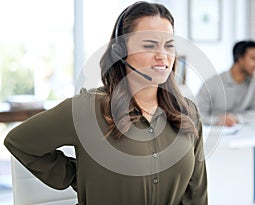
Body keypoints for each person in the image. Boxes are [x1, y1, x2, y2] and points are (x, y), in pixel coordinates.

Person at [4, 2, 208, 204]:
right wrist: (76, 175)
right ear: (120, 51)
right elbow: (19, 142)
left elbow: (196, 196)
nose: (162, 55)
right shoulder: (86, 109)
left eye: (169, 45)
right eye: (149, 45)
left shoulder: (187, 112)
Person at [196, 40, 255, 201]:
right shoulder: (213, 83)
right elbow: (197, 113)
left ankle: (249, 200)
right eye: (253, 58)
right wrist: (219, 120)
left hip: (244, 138)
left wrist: (236, 118)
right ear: (239, 58)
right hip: (216, 139)